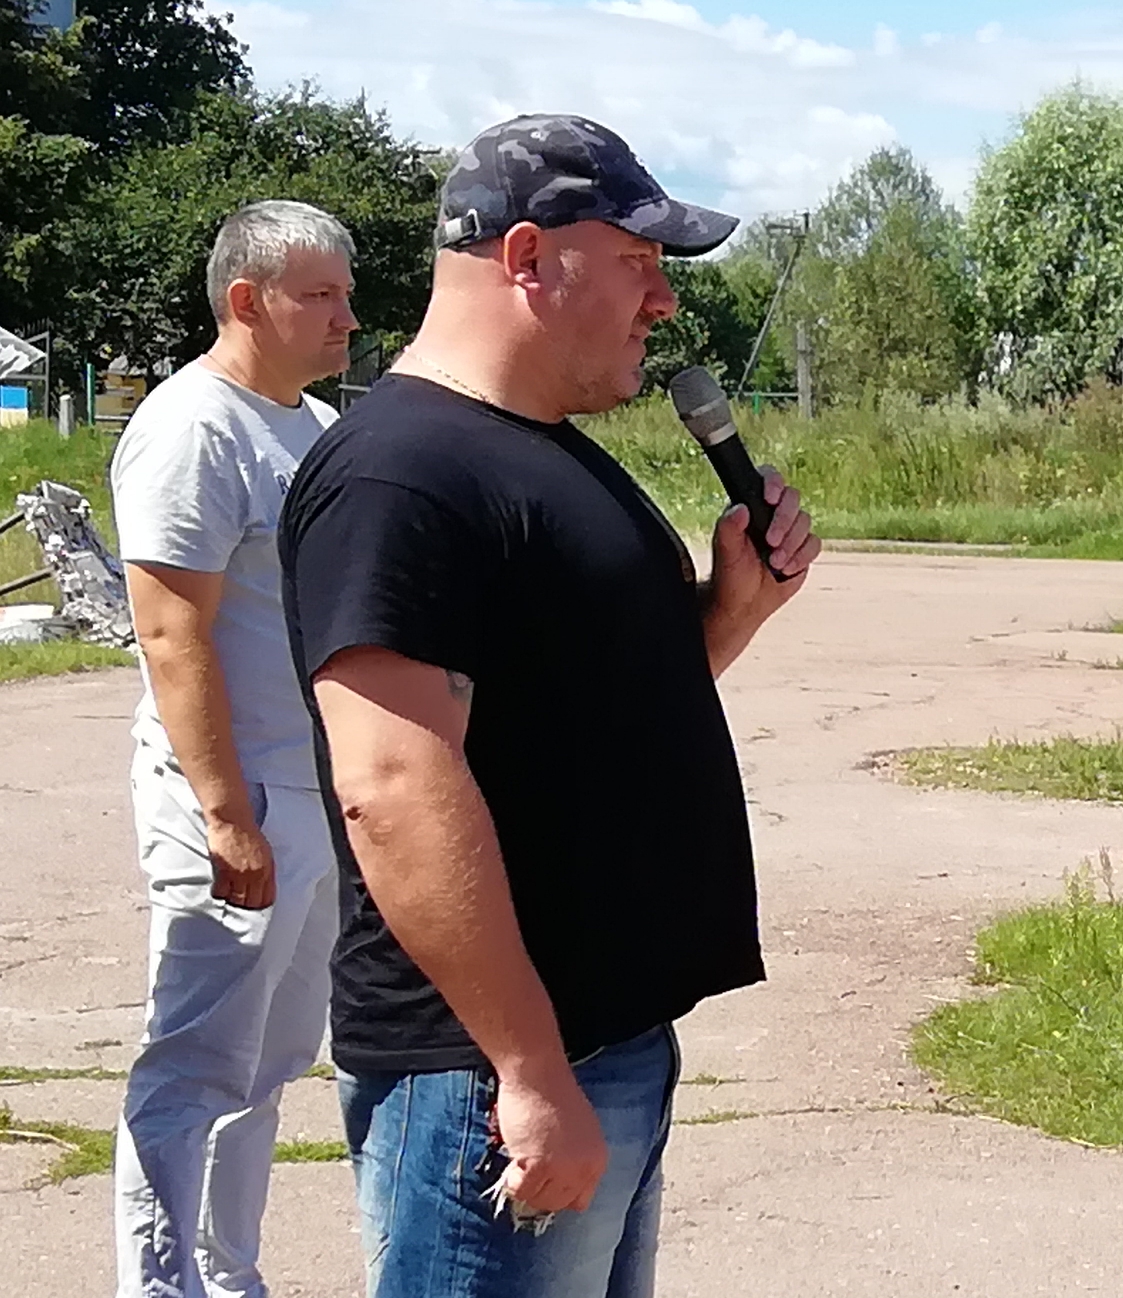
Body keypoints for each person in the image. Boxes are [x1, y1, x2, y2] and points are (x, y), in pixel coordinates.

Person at [278, 115, 821, 1298]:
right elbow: (392, 788)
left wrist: (732, 609)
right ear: (527, 257)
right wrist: (527, 1070)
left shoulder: (545, 451)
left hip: (598, 1044)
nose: (662, 301)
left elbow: (588, 718)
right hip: (483, 1075)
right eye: (637, 262)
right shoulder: (400, 473)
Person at [109, 199, 358, 1298]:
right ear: (247, 300)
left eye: (347, 293)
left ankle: (227, 1273)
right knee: (199, 1060)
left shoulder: (311, 425)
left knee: (270, 1060)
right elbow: (172, 632)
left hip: (310, 790)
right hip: (234, 792)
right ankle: (164, 1286)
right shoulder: (192, 427)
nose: (347, 317)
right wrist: (224, 813)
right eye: (322, 295)